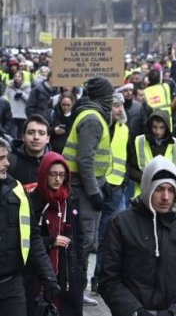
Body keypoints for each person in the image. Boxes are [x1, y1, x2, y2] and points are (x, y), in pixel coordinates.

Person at [99, 156, 176, 316]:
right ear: (148, 188)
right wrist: (135, 311)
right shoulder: (120, 224)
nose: (166, 197)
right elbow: (108, 278)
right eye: (159, 189)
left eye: (171, 190)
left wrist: (175, 313)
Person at [62, 76, 115, 306]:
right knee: (83, 243)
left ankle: (76, 289)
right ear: (103, 98)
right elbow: (85, 160)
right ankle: (75, 290)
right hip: (81, 190)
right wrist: (95, 192)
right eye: (110, 97)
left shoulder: (92, 115)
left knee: (85, 242)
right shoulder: (93, 119)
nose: (112, 101)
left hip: (85, 186)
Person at [0, 137, 60, 316]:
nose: (7, 163)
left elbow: (32, 237)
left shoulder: (17, 191)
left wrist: (48, 277)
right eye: (1, 158)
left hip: (11, 285)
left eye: (6, 157)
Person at [26, 152, 85, 316]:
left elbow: (80, 239)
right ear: (44, 174)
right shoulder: (32, 201)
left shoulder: (70, 201)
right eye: (52, 174)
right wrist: (51, 241)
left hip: (68, 276)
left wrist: (81, 273)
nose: (57, 179)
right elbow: (27, 240)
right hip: (39, 276)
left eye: (61, 175)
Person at [91, 92, 131, 295]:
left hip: (117, 189)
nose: (120, 109)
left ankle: (99, 279)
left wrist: (124, 179)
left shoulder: (124, 129)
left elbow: (125, 156)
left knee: (111, 236)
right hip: (99, 186)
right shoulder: (100, 126)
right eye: (116, 105)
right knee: (94, 237)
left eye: (121, 105)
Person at [128, 109, 176, 198]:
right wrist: (148, 181)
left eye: (161, 127)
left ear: (167, 127)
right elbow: (131, 168)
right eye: (155, 127)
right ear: (150, 126)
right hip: (142, 192)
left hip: (166, 193)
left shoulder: (175, 144)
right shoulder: (139, 141)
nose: (157, 131)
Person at [8, 115, 52, 192]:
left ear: (48, 138)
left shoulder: (55, 163)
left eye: (41, 133)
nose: (36, 137)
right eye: (31, 132)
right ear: (23, 136)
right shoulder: (9, 161)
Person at [5, 70, 30, 139]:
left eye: (19, 76)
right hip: (12, 112)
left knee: (21, 133)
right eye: (15, 76)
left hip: (22, 113)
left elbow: (29, 100)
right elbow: (5, 96)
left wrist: (22, 94)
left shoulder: (26, 86)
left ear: (22, 77)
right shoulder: (9, 86)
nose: (17, 78)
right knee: (12, 133)